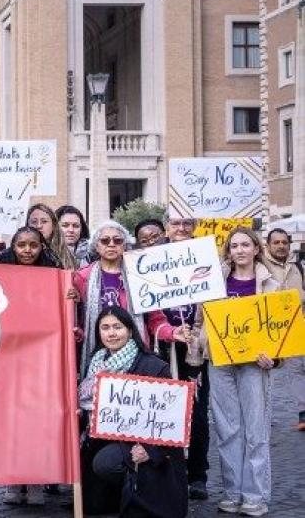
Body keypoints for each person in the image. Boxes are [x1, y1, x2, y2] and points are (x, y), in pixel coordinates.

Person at [191, 228, 293, 516]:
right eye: (234, 245)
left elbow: (281, 330)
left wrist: (274, 358)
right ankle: (233, 492)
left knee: (256, 430)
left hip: (254, 366)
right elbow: (201, 323)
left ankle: (255, 496)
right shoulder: (214, 284)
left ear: (256, 248)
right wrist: (199, 348)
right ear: (228, 251)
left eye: (245, 244)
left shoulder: (271, 285)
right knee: (227, 430)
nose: (240, 250)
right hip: (220, 364)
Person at [78, 306, 188, 517]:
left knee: (106, 463)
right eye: (105, 328)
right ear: (98, 333)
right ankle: (114, 498)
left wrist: (151, 450)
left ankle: (139, 495)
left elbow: (172, 418)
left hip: (147, 445)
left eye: (117, 327)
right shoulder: (96, 365)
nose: (111, 333)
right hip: (110, 439)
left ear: (130, 330)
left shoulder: (154, 366)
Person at [0, 227, 60, 506]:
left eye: (33, 245)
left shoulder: (54, 274)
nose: (28, 250)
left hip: (41, 357)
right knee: (10, 421)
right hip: (7, 357)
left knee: (37, 420)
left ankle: (35, 480)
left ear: (42, 247)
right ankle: (13, 478)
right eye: (22, 245)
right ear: (13, 247)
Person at [72, 221, 187, 378]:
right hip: (96, 355)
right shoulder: (81, 277)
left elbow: (155, 319)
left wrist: (172, 332)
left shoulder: (139, 275)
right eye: (105, 240)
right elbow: (75, 321)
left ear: (124, 245)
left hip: (136, 358)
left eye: (117, 240)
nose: (111, 244)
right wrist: (76, 331)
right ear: (96, 246)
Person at [155, 221, 213, 500]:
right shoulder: (154, 258)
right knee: (163, 411)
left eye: (186, 223)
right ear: (168, 226)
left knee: (198, 413)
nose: (181, 228)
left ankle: (197, 474)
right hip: (163, 346)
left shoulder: (206, 256)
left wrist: (197, 336)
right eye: (176, 223)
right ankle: (168, 473)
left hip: (195, 349)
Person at [262, 228, 305, 432]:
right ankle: (261, 416)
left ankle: (303, 413)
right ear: (268, 245)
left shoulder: (297, 267)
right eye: (276, 242)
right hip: (267, 330)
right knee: (263, 373)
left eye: (284, 242)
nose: (280, 246)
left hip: (295, 329)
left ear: (289, 245)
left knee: (297, 370)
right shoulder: (260, 266)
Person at [27, 204, 76, 269]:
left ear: (54, 225)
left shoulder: (66, 256)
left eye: (44, 221)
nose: (39, 226)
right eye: (34, 222)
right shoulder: (18, 252)